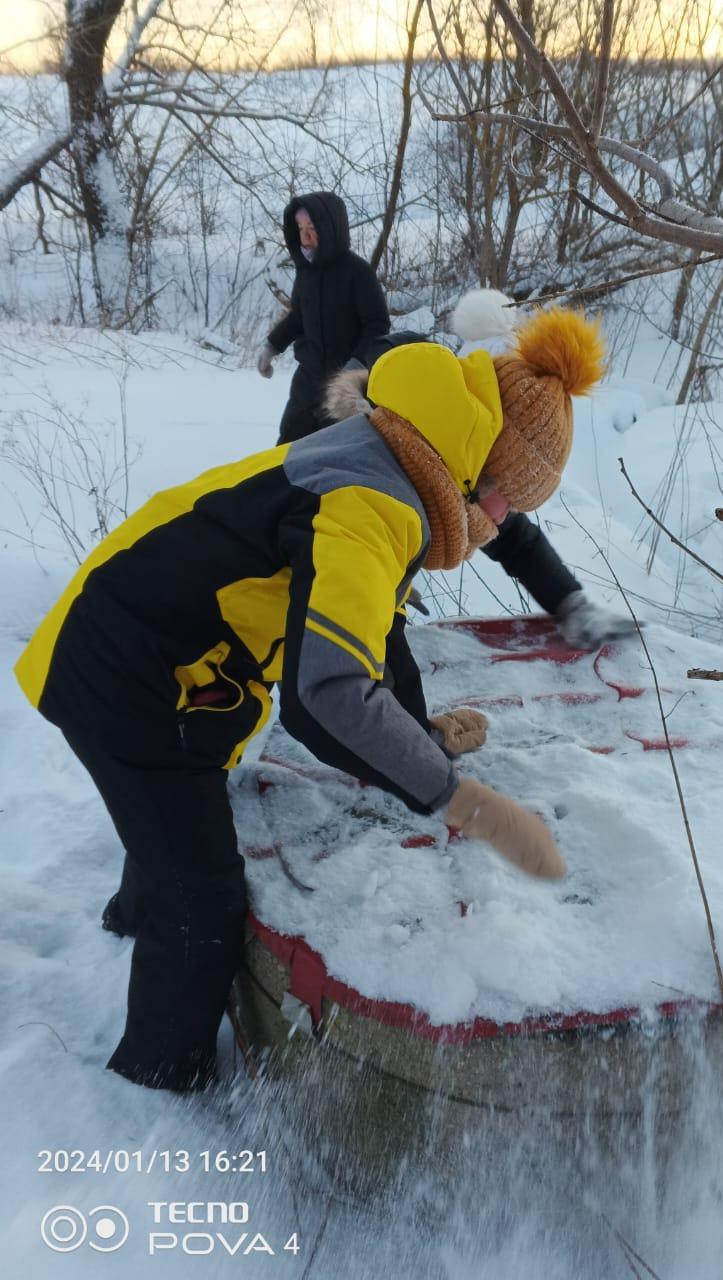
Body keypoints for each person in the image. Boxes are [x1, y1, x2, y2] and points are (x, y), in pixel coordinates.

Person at [14, 306, 605, 1094]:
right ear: (479, 473)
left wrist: (416, 734)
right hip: (126, 667)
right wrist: (461, 801)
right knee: (204, 902)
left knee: (174, 806)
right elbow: (325, 694)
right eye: (509, 504)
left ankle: (134, 908)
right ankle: (154, 1081)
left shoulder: (389, 452)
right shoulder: (374, 503)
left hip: (154, 644)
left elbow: (374, 633)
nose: (503, 526)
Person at [325, 289, 638, 649]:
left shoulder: (458, 470)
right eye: (506, 497)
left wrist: (572, 603)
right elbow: (340, 653)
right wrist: (386, 587)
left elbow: (518, 539)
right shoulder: (373, 488)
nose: (506, 514)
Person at [256, 191, 389, 444]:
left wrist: (356, 364)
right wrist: (272, 346)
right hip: (308, 378)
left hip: (345, 385)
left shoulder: (358, 272)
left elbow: (377, 325)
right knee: (290, 443)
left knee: (338, 450)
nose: (304, 235)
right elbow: (298, 316)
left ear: (331, 228)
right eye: (299, 227)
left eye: (312, 228)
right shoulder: (305, 271)